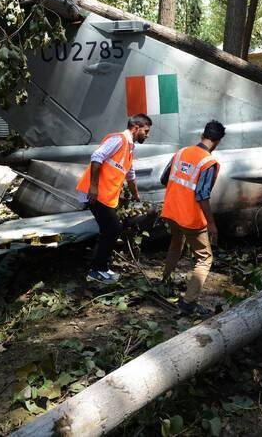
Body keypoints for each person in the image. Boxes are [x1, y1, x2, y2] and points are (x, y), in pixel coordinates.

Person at [160, 120, 226, 316]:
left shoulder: (181, 152)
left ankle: (164, 283)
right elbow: (202, 195)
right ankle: (188, 303)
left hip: (171, 211)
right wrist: (212, 224)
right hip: (190, 217)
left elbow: (164, 179)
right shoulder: (208, 162)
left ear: (202, 136)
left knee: (175, 243)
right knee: (204, 259)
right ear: (218, 141)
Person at [76, 114, 152, 284]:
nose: (147, 135)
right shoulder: (119, 140)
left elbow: (130, 174)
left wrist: (135, 194)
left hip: (105, 196)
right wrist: (93, 187)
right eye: (146, 131)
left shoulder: (129, 148)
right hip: (95, 194)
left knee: (109, 229)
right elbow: (96, 156)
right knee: (113, 228)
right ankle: (97, 270)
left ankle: (100, 267)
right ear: (136, 128)